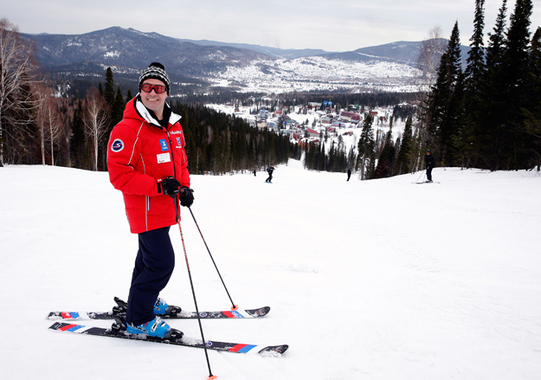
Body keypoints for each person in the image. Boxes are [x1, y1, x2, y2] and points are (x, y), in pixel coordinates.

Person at [107, 62, 194, 338]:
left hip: (166, 207)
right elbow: (119, 175)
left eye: (158, 88)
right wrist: (159, 186)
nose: (152, 93)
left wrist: (184, 188)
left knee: (146, 261)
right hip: (145, 210)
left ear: (167, 91)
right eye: (147, 87)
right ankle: (140, 318)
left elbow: (181, 163)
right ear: (140, 90)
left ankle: (141, 302)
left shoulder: (172, 125)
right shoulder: (127, 129)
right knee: (161, 263)